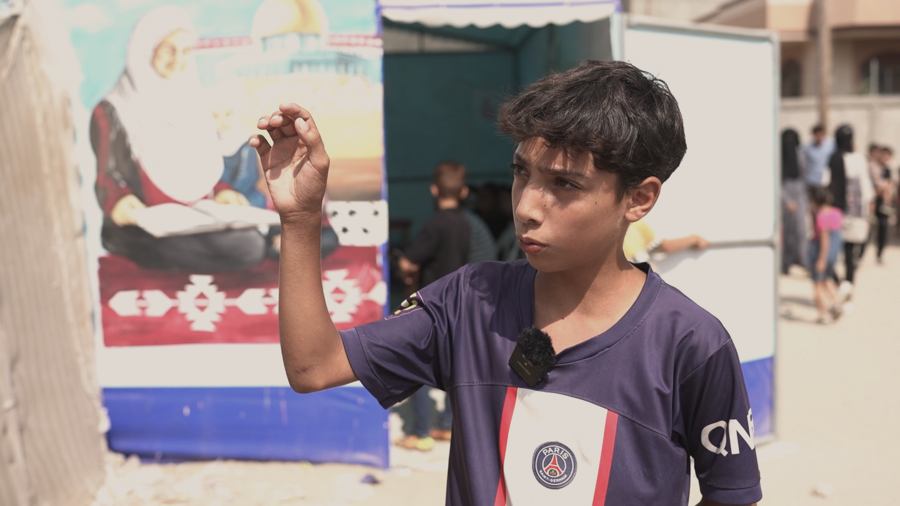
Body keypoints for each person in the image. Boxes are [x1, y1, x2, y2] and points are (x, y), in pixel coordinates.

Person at [252, 61, 761, 505]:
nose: (526, 207)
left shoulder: (693, 344)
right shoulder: (469, 301)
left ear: (639, 199)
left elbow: (731, 493)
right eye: (522, 173)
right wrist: (300, 219)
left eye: (564, 183)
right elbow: (313, 366)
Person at [91, 6, 266, 272]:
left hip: (197, 217)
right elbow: (107, 175)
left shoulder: (193, 102)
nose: (179, 60)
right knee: (175, 247)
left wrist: (220, 192)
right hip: (142, 224)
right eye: (168, 50)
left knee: (250, 244)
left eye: (186, 51)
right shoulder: (112, 110)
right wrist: (120, 201)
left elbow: (200, 165)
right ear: (146, 50)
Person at [394, 161, 472, 450]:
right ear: (464, 191)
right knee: (454, 367)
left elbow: (408, 261)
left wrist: (404, 268)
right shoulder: (465, 224)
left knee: (417, 367)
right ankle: (447, 426)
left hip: (432, 307)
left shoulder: (435, 223)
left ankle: (420, 431)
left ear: (433, 189)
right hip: (459, 304)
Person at [827, 124, 874, 298]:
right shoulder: (859, 159)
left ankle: (843, 285)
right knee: (849, 253)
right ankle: (848, 284)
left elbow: (826, 185)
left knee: (833, 253)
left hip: (836, 214)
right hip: (855, 214)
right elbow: (866, 189)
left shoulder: (834, 158)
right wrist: (868, 213)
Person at [807, 187, 843, 324]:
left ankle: (823, 313)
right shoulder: (837, 213)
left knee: (817, 284)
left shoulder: (821, 217)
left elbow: (824, 238)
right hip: (833, 255)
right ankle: (835, 303)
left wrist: (821, 259)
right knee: (826, 279)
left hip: (821, 253)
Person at [781, 128, 809, 273]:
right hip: (785, 196)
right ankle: (786, 262)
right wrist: (786, 200)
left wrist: (806, 199)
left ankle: (803, 260)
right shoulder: (778, 156)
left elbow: (804, 177)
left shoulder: (800, 155)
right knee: (787, 233)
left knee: (802, 230)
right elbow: (776, 182)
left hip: (800, 195)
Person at [622, 220, 709, 265]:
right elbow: (662, 247)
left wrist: (693, 239)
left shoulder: (637, 223)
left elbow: (662, 246)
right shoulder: (636, 221)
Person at [871, 146, 894, 264]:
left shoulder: (888, 170)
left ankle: (879, 254)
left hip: (883, 203)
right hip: (872, 202)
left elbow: (888, 186)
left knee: (883, 228)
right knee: (869, 228)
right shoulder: (873, 168)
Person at [802, 124, 835, 188]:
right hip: (813, 181)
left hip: (827, 180)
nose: (818, 136)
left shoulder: (831, 144)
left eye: (820, 133)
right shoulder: (808, 147)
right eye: (816, 134)